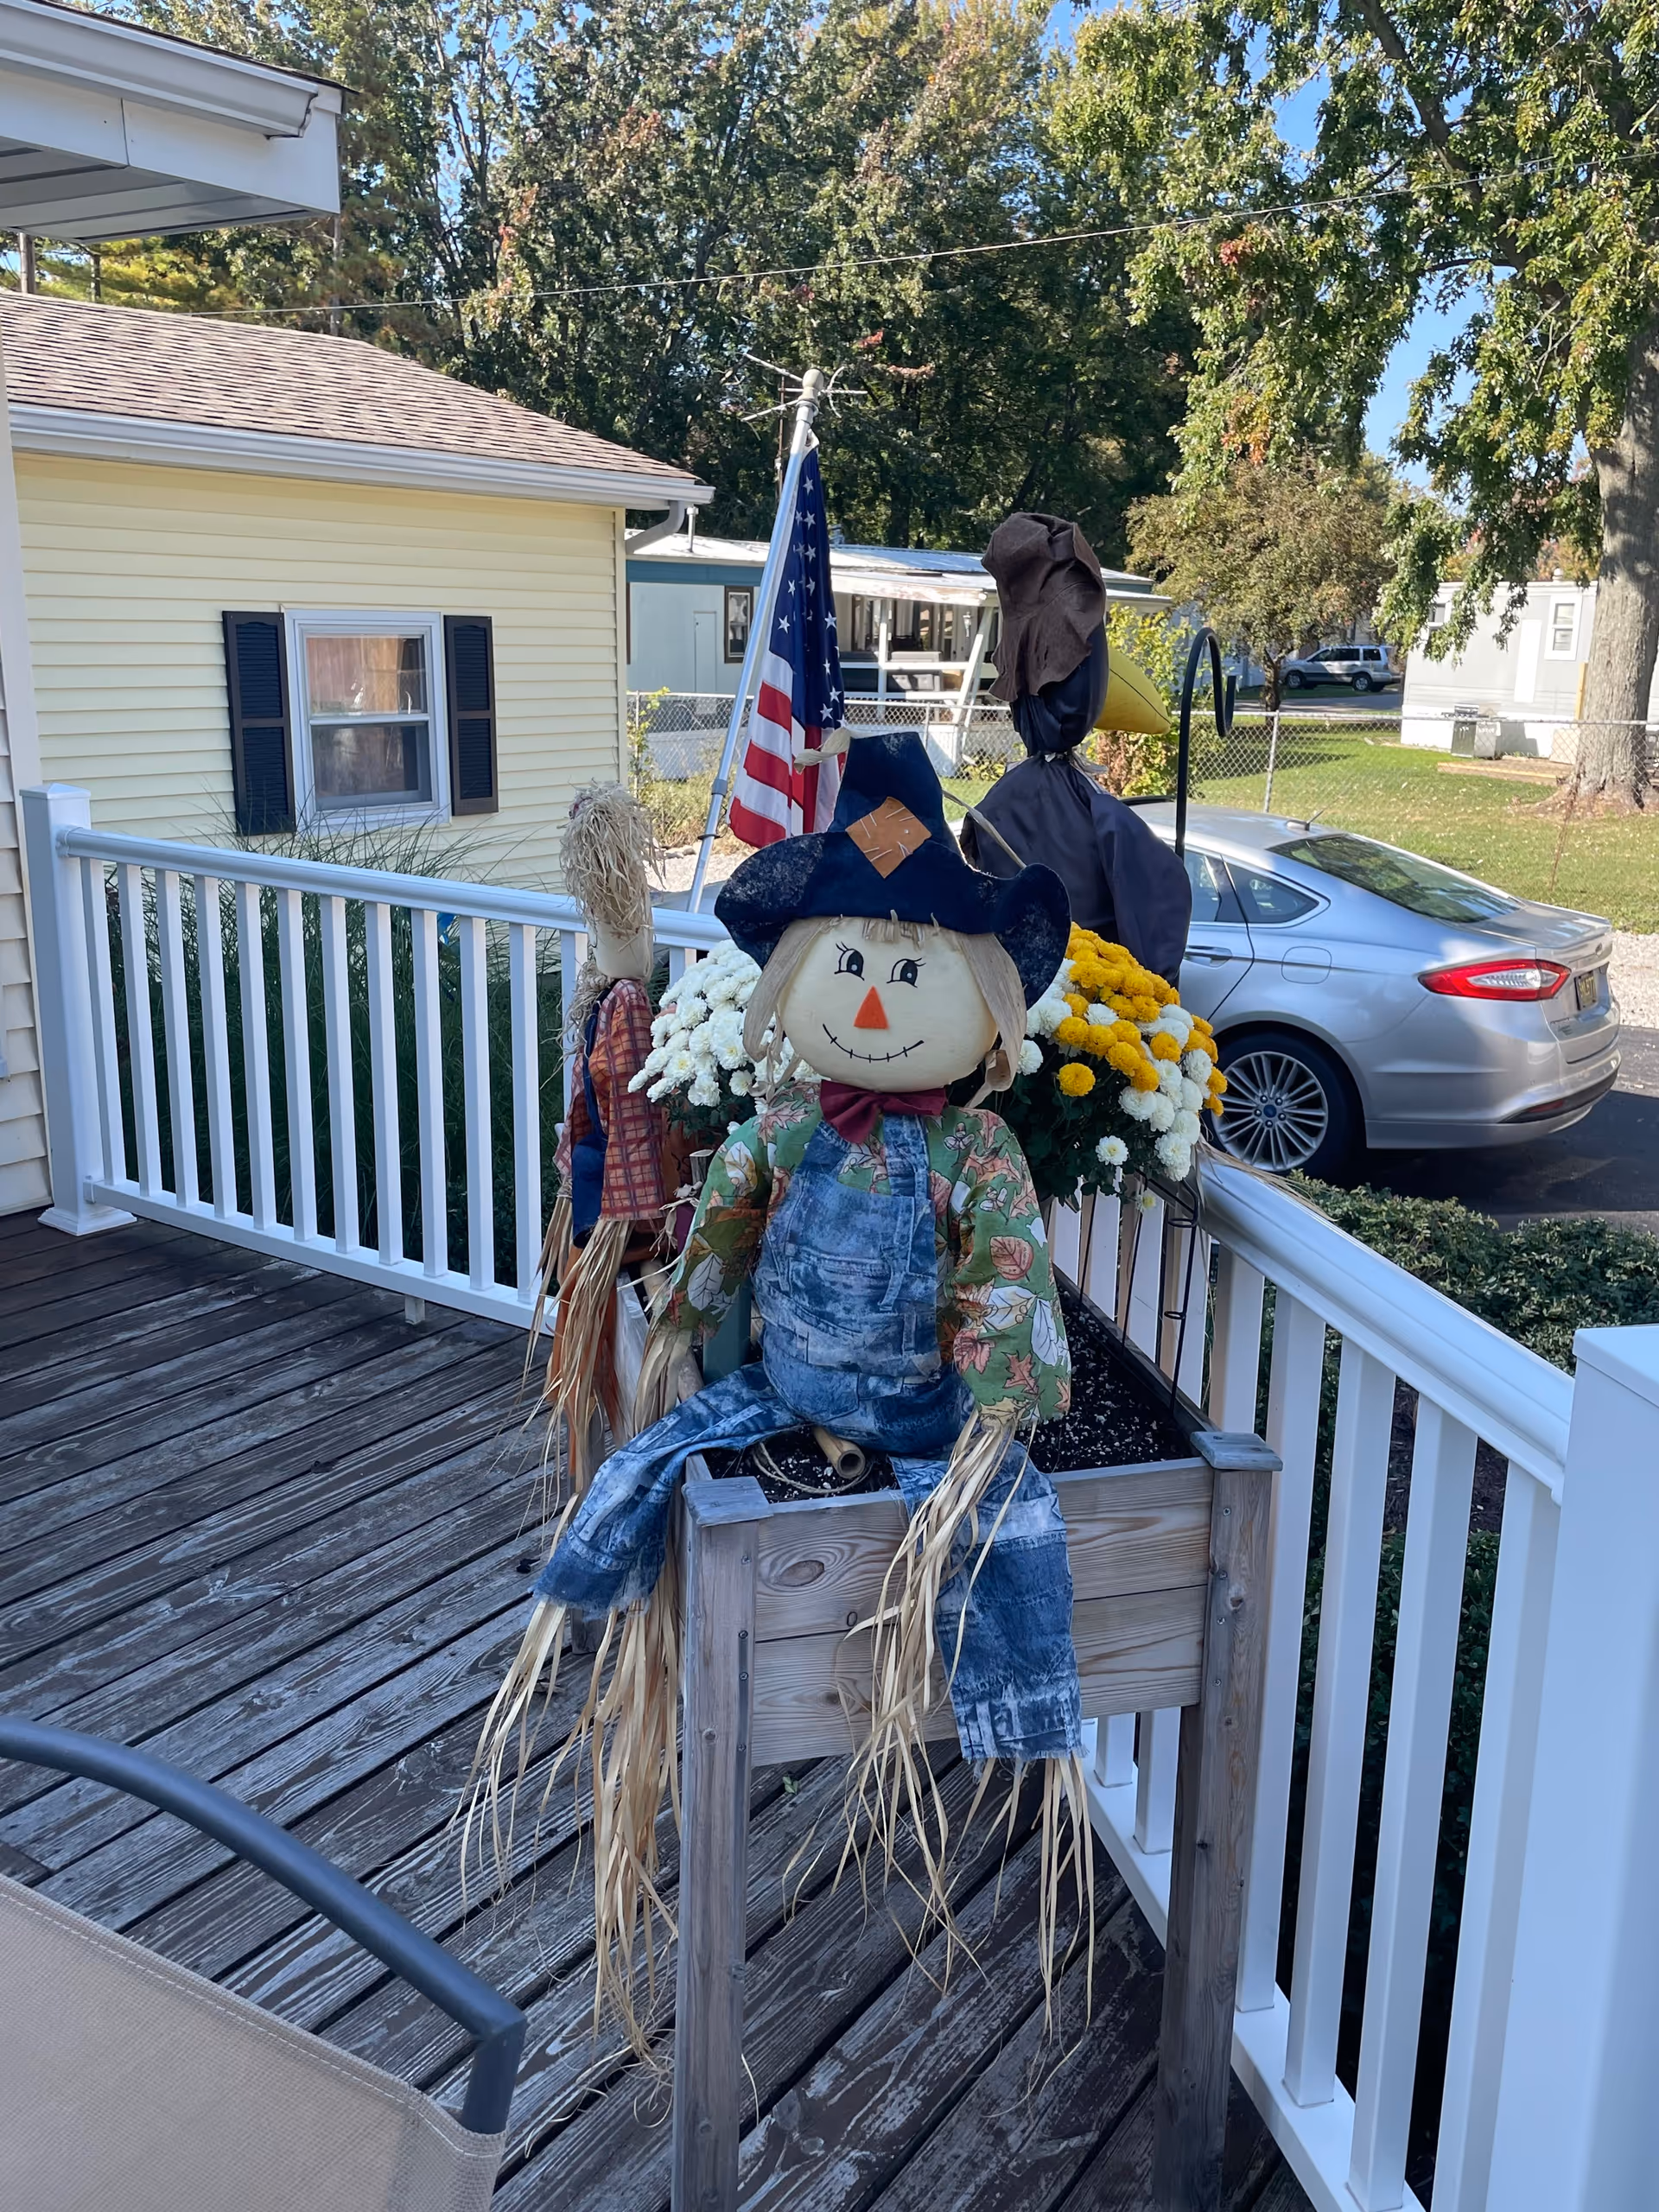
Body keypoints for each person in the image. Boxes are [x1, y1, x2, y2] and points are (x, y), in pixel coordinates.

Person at [468, 731, 1094, 2045]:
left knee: (1016, 1531)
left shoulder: (974, 1148)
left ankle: (1013, 1736)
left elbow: (1005, 1275)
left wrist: (998, 1410)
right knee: (661, 1458)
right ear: (801, 979)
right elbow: (721, 1238)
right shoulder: (788, 1122)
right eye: (849, 964)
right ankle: (575, 1614)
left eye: (905, 969)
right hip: (786, 1395)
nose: (870, 999)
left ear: (978, 995)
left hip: (922, 1424)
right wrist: (685, 1334)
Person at [961, 511, 1192, 986]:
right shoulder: (1091, 814)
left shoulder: (997, 807)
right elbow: (1160, 914)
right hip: (1081, 1010)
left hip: (1020, 1003)